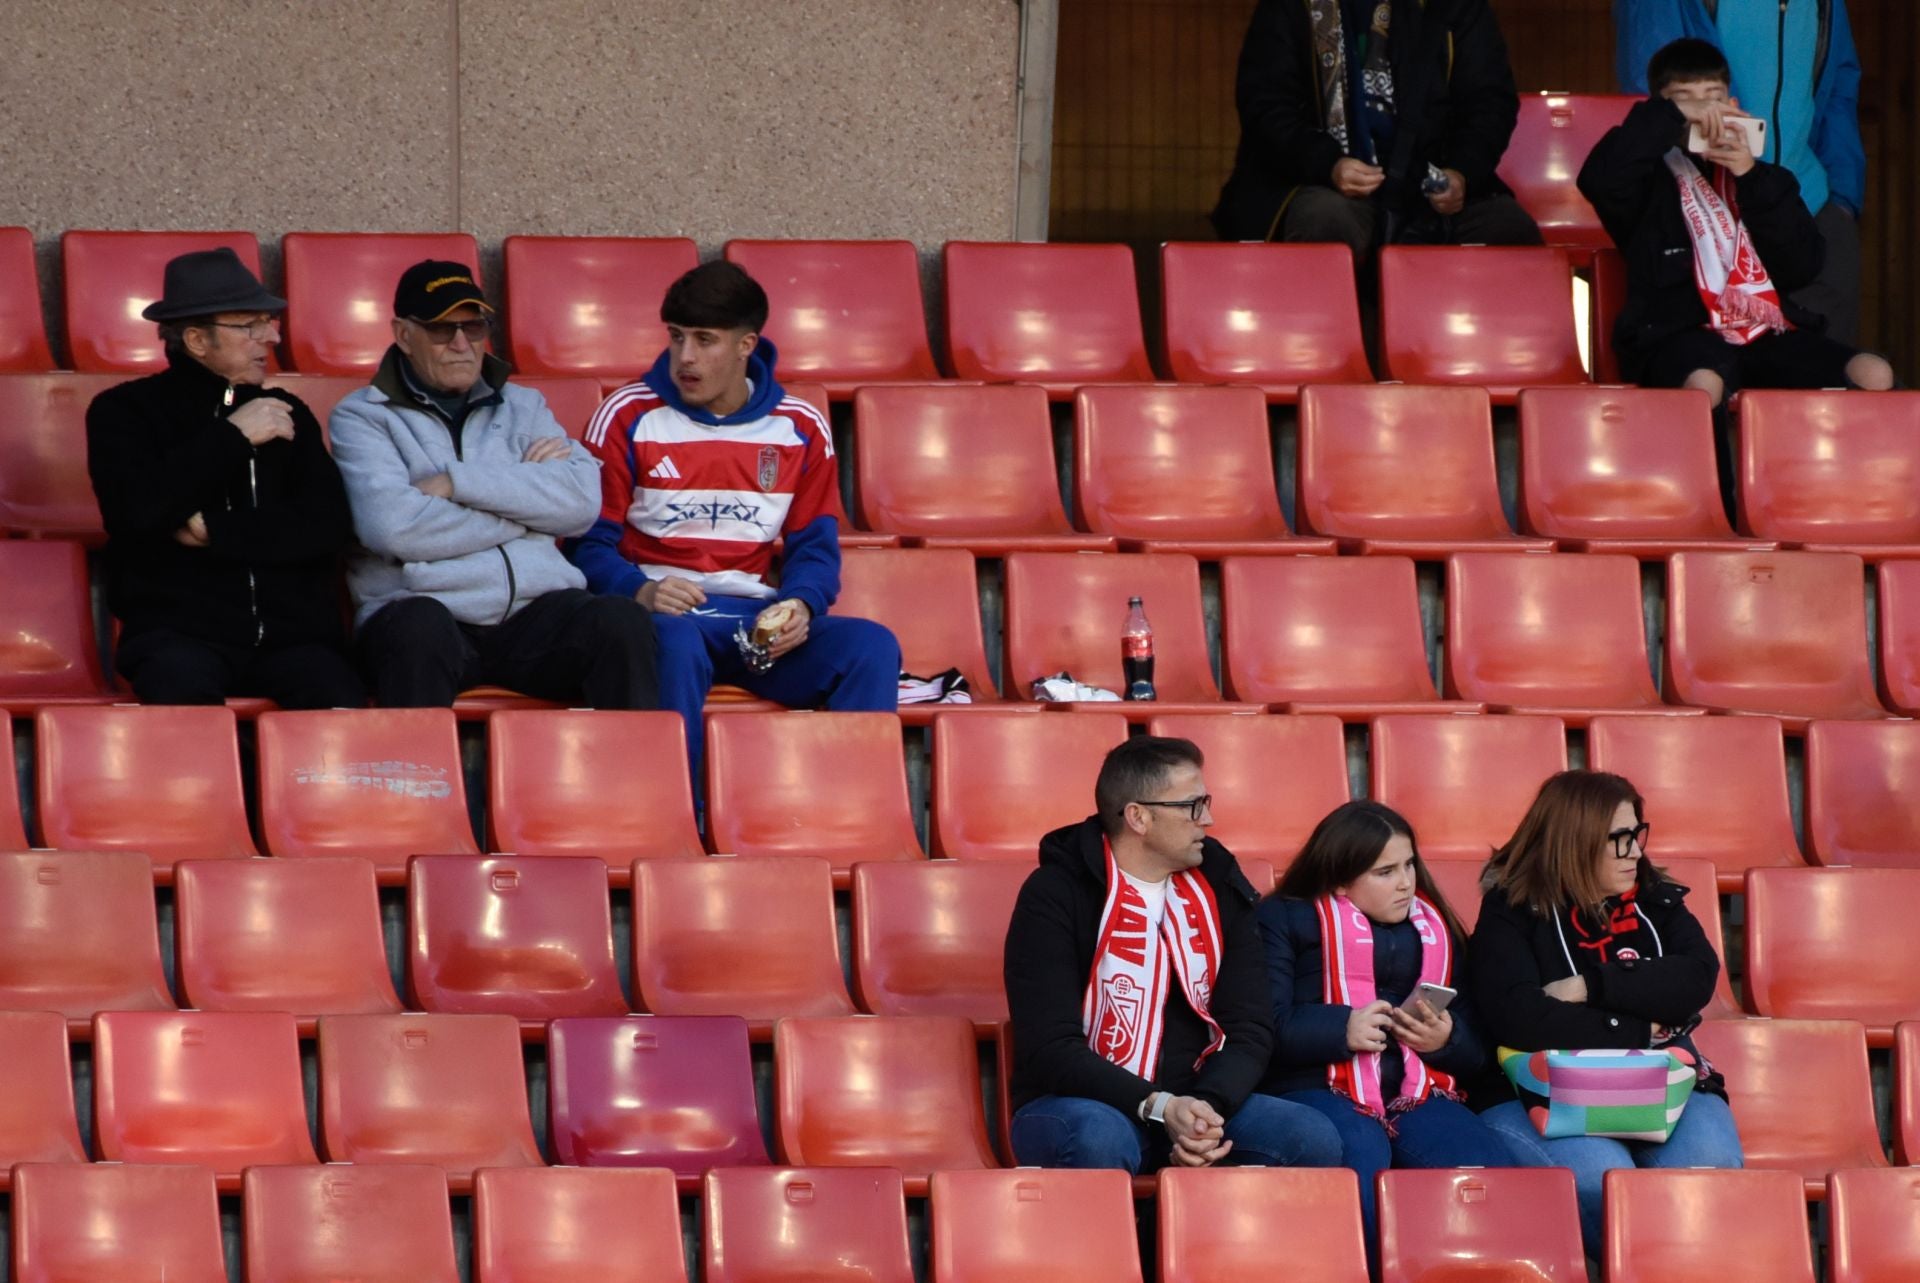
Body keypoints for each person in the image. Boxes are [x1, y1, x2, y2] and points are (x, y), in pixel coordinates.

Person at [568, 262, 898, 784]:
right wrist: (638, 591)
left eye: (705, 340)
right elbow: (587, 544)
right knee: (673, 646)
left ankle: (849, 820)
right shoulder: (626, 415)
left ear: (747, 345)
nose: (686, 357)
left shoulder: (800, 426)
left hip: (751, 624)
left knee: (871, 647)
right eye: (676, 338)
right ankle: (681, 828)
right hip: (663, 617)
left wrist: (802, 603)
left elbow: (814, 546)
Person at [1003, 736, 1343, 1174]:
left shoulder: (1219, 886)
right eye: (1193, 806)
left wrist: (1203, 1110)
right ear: (1138, 817)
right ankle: (1127, 1243)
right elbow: (1050, 1047)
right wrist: (1158, 1105)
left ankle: (1219, 1244)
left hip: (1193, 1099)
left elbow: (1251, 1026)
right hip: (1076, 1103)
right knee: (1099, 1137)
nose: (1209, 819)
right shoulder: (1054, 894)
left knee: (1310, 1137)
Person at [329, 260, 658, 709]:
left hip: (533, 616)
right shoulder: (362, 416)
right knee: (416, 627)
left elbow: (581, 505)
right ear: (404, 335)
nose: (462, 344)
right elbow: (392, 528)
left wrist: (455, 483)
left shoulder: (525, 405)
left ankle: (630, 781)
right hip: (427, 611)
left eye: (474, 327)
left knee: (621, 621)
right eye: (443, 330)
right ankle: (421, 779)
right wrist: (528, 514)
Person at [1470, 770, 1741, 1256]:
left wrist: (1590, 985)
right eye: (1619, 839)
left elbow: (1695, 978)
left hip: (1664, 1082)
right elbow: (1521, 1018)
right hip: (1541, 1092)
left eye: (1637, 833)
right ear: (1574, 842)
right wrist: (1638, 1026)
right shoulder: (1510, 909)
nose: (1635, 851)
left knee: (1711, 1174)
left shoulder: (1655, 899)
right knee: (1600, 1182)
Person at [85, 248, 364, 709]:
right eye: (249, 325)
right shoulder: (124, 412)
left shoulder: (288, 413)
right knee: (180, 692)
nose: (271, 337)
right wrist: (233, 437)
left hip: (294, 640)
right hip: (178, 636)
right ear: (197, 339)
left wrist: (214, 531)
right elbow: (136, 513)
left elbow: (328, 524)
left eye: (269, 322)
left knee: (338, 702)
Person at [1257, 801, 1515, 1268]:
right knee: (1361, 1151)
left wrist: (1447, 1040)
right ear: (1339, 879)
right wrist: (1342, 1028)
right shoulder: (1279, 920)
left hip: (1417, 1094)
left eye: (1410, 865)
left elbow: (1479, 1050)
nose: (1406, 882)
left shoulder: (1440, 927)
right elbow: (1261, 1028)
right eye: (1385, 871)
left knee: (1487, 1170)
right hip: (1314, 1088)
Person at [1578, 38, 1893, 406]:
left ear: (1732, 106)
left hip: (1765, 332)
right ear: (1664, 108)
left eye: (1712, 99)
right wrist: (1672, 116)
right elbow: (1600, 178)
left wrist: (1748, 175)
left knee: (1873, 373)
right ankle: (1712, 465)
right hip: (1678, 335)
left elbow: (1800, 266)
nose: (1704, 112)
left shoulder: (1767, 181)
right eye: (1687, 100)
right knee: (1704, 382)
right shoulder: (1645, 181)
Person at [1613, 0, 1866, 344]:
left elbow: (1839, 87)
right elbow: (1653, 88)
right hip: (1704, 208)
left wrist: (1841, 199)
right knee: (1716, 369)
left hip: (1808, 203)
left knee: (1823, 375)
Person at [1212, 0, 1542, 254]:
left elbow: (1490, 102)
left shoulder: (1458, 6)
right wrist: (1328, 164)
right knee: (1325, 220)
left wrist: (1461, 172)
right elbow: (1265, 105)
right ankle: (1332, 344)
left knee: (1508, 229)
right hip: (1322, 182)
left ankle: (1455, 344)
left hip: (1430, 185)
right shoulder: (1291, 6)